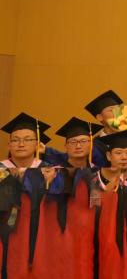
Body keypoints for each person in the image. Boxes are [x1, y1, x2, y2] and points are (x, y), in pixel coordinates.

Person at [0, 113, 71, 279]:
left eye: (27, 139)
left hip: (40, 233)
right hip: (5, 232)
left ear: (37, 145)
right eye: (16, 140)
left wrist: (49, 183)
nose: (21, 144)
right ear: (9, 145)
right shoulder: (2, 169)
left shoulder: (52, 171)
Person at [47, 117, 99, 279]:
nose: (78, 146)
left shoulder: (99, 173)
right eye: (73, 142)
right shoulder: (53, 172)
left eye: (83, 141)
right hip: (58, 234)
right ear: (65, 146)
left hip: (90, 237)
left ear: (91, 144)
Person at [95, 130, 127, 278]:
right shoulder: (95, 182)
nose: (124, 157)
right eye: (118, 153)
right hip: (102, 241)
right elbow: (91, 211)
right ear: (109, 156)